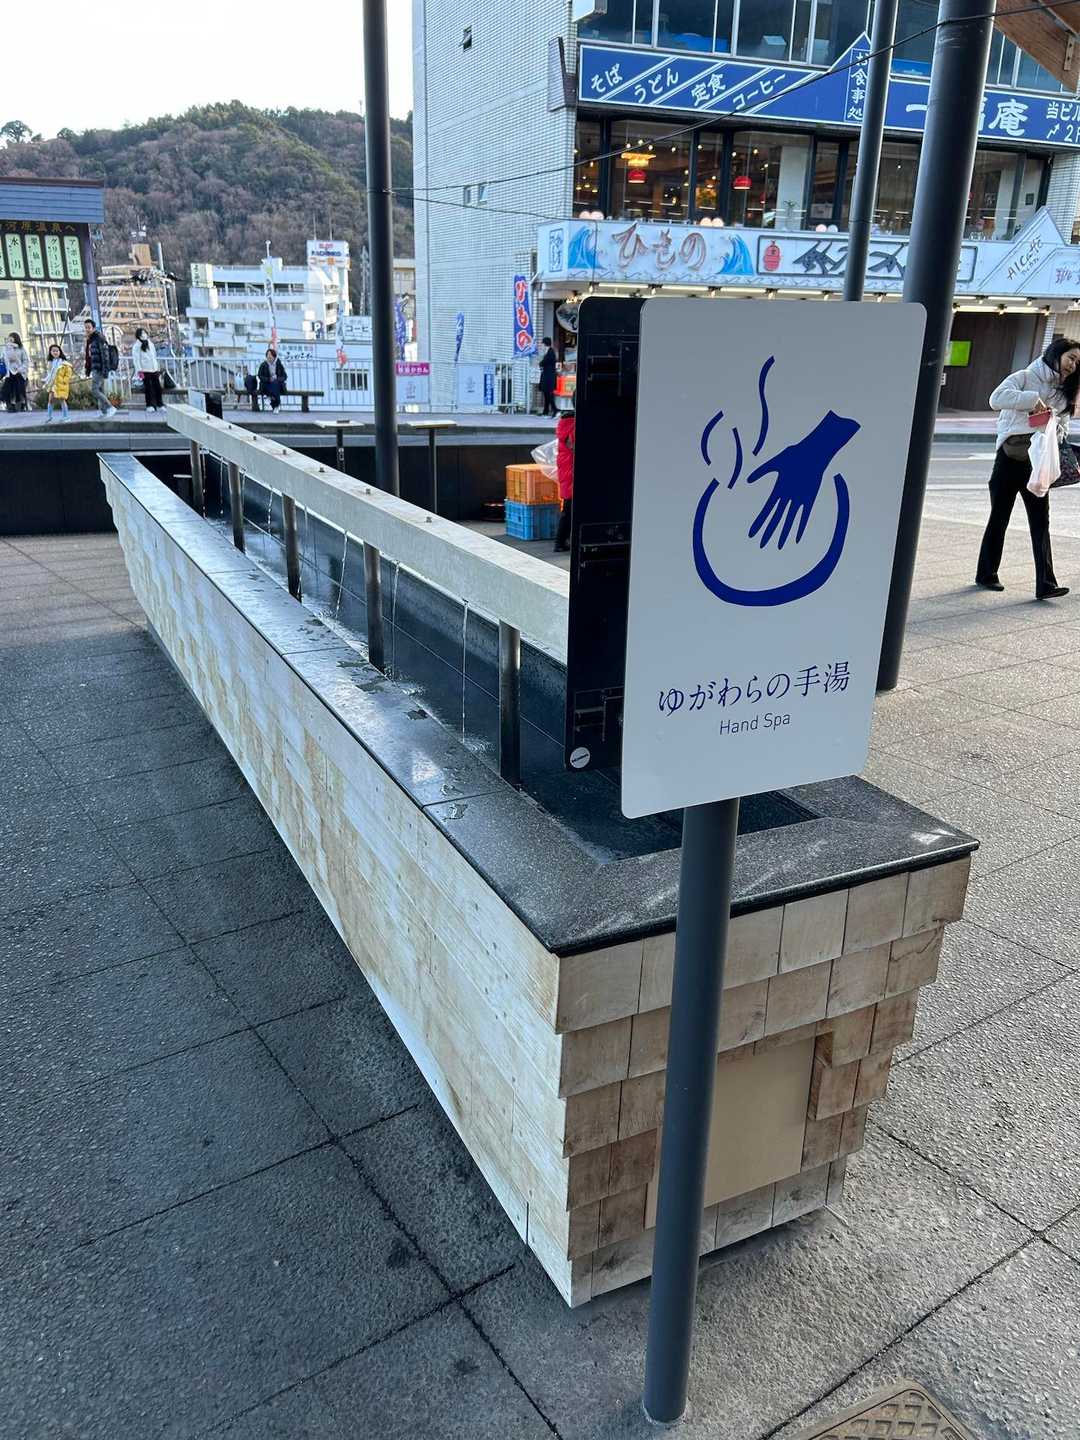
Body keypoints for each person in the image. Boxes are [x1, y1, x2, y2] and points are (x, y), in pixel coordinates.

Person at [976, 336, 1080, 600]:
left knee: (1040, 521)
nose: (1073, 365)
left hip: (1038, 463)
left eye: (1078, 362)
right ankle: (986, 574)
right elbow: (996, 399)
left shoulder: (1064, 392)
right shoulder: (1024, 377)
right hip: (1010, 458)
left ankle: (1046, 584)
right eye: (1071, 358)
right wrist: (1033, 400)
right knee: (999, 516)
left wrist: (1052, 425)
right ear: (1056, 354)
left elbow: (1063, 429)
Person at [84, 319, 117, 418]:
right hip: (95, 368)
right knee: (100, 390)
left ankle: (110, 407)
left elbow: (105, 355)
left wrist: (105, 370)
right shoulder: (90, 340)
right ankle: (105, 412)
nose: (87, 329)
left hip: (99, 368)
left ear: (94, 328)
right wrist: (88, 369)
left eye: (89, 327)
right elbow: (89, 356)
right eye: (85, 327)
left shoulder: (99, 338)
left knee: (94, 390)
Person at [554, 399, 575, 553]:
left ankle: (562, 541)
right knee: (568, 510)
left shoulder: (565, 424)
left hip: (567, 471)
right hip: (571, 472)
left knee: (568, 509)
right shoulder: (574, 426)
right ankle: (560, 542)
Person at [132, 327, 162, 412]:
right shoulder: (137, 346)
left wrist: (157, 367)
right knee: (148, 389)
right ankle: (149, 405)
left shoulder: (150, 343)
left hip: (154, 369)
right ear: (138, 336)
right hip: (145, 370)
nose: (144, 335)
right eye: (142, 334)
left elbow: (154, 356)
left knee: (158, 387)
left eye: (145, 333)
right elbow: (136, 359)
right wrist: (139, 371)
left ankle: (159, 404)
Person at [43, 344, 72, 423]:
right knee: (50, 400)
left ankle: (66, 416)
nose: (55, 352)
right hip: (53, 384)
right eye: (53, 351)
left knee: (62, 400)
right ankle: (49, 416)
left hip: (60, 384)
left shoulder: (64, 363)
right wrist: (46, 380)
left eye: (57, 351)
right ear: (50, 352)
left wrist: (64, 380)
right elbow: (50, 374)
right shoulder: (50, 363)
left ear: (60, 352)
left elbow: (68, 373)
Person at [1, 332, 30, 411]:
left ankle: (22, 403)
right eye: (9, 338)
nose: (10, 339)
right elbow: (3, 359)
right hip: (9, 371)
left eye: (11, 337)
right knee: (8, 388)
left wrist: (21, 369)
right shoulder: (6, 349)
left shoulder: (21, 349)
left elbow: (26, 361)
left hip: (19, 371)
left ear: (16, 338)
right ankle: (11, 404)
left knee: (19, 387)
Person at [539, 336, 557, 417]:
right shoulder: (547, 352)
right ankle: (545, 411)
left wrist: (540, 363)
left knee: (549, 393)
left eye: (542, 344)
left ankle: (555, 409)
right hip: (546, 375)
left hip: (549, 376)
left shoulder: (550, 352)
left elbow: (544, 362)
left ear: (545, 344)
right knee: (546, 393)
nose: (541, 345)